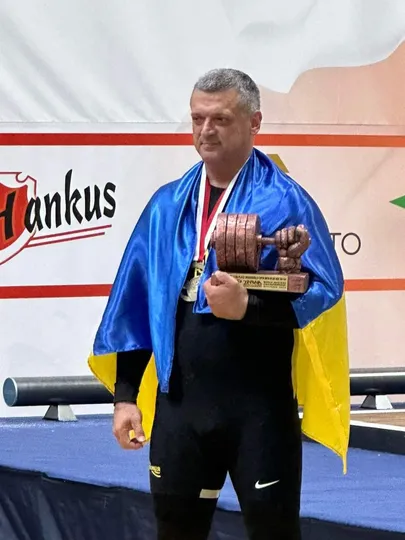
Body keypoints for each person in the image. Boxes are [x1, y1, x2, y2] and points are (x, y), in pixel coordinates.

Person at [89, 68, 350, 540]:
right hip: (180, 411)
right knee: (175, 533)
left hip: (258, 414)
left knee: (273, 534)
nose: (206, 130)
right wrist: (125, 396)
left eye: (221, 119)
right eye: (198, 118)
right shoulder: (167, 205)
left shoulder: (287, 202)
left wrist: (249, 306)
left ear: (255, 123)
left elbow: (323, 289)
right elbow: (136, 305)